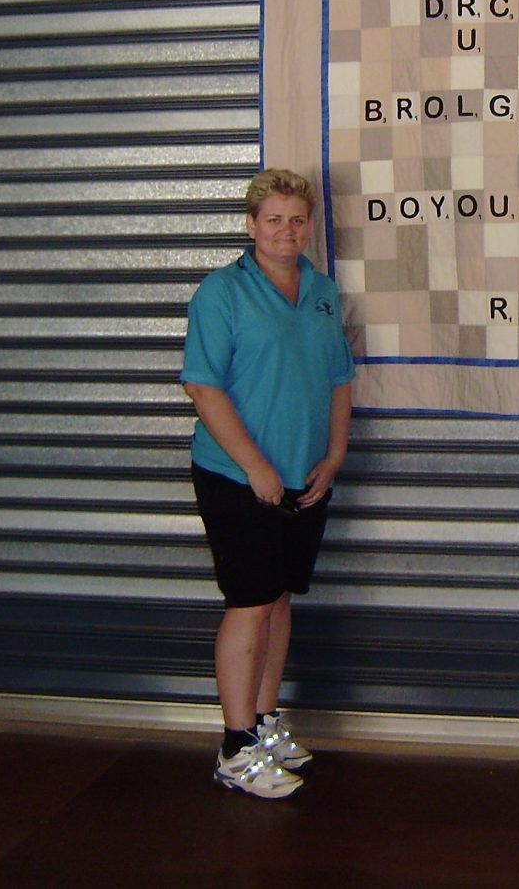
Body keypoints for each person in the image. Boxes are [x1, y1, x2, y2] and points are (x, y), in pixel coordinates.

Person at [181, 168, 355, 798]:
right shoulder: (221, 293)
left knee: (279, 600)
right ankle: (234, 748)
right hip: (237, 476)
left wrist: (334, 454)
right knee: (250, 603)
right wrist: (255, 465)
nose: (287, 230)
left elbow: (339, 377)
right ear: (252, 225)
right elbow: (203, 385)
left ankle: (264, 724)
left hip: (303, 478)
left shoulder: (323, 290)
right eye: (274, 219)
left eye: (298, 219)